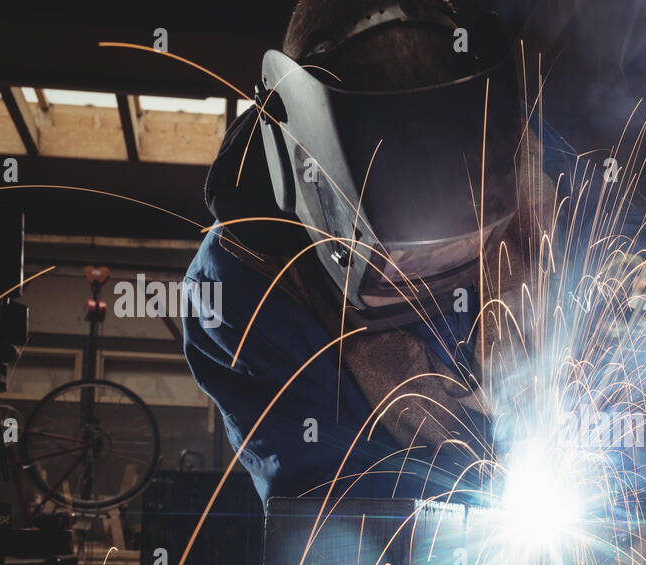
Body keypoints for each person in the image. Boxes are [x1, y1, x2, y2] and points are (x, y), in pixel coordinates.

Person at [182, 0, 574, 507]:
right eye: (403, 262)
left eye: (466, 250)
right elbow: (334, 522)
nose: (433, 280)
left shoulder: (529, 163)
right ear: (303, 171)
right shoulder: (238, 292)